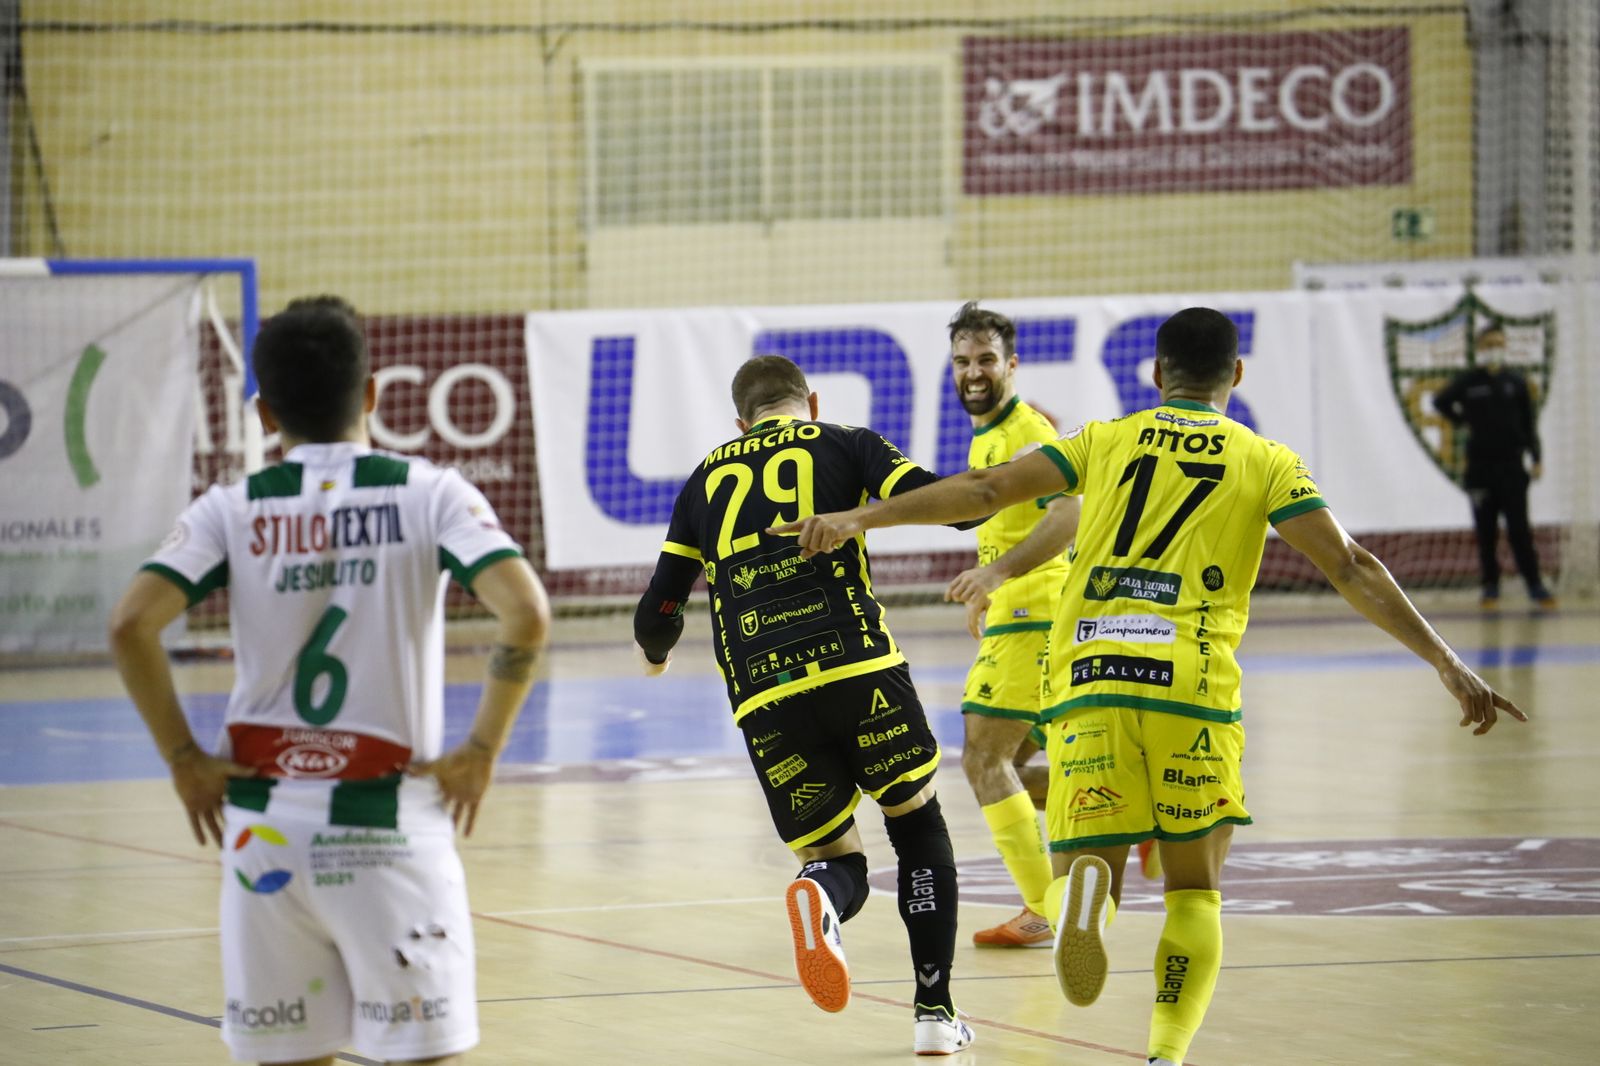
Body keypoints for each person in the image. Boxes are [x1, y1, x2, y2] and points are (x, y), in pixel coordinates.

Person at [773, 307, 1528, 1066]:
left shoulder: (1105, 439)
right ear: (1235, 376)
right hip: (1189, 688)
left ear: (1158, 375)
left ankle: (1080, 902)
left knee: (1080, 851)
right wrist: (1445, 660)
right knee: (1194, 891)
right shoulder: (1269, 461)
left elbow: (984, 490)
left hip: (1089, 680)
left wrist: (857, 517)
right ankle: (1165, 1051)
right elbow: (1351, 567)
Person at [109, 295, 550, 1066]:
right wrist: (482, 748)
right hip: (387, 824)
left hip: (263, 828)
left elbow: (129, 625)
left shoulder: (230, 507)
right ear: (374, 393)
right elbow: (528, 613)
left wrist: (184, 759)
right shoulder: (431, 492)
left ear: (263, 412)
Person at [632, 354, 975, 1055]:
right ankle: (934, 1013)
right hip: (859, 667)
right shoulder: (846, 442)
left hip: (764, 694)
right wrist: (873, 514)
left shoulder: (706, 476)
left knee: (837, 856)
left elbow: (659, 606)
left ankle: (822, 892)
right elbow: (954, 507)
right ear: (809, 403)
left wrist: (658, 651)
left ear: (740, 421)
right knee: (915, 823)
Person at [940, 301, 1080, 948]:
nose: (974, 372)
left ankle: (1041, 910)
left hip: (1034, 615)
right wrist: (987, 588)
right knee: (1022, 766)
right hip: (1025, 612)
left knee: (982, 759)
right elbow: (1013, 523)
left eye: (987, 360)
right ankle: (1132, 811)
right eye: (964, 361)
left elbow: (1070, 513)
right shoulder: (988, 434)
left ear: (1012, 365)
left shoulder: (1029, 431)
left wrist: (998, 579)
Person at [1433, 325, 1556, 609]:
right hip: (1480, 468)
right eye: (1489, 344)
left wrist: (1536, 457)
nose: (1494, 348)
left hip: (1512, 466)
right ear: (1480, 347)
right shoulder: (1469, 382)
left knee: (1520, 530)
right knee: (1485, 531)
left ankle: (1535, 585)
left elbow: (1529, 424)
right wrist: (1461, 420)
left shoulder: (1516, 382)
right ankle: (1490, 587)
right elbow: (1440, 401)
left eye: (1499, 343)